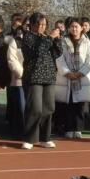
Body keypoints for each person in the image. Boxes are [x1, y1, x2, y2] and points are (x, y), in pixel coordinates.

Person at [18, 12, 60, 149]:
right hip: (34, 76)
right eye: (39, 24)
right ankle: (29, 138)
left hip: (49, 76)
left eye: (44, 24)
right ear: (32, 24)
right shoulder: (28, 37)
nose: (42, 27)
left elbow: (57, 53)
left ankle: (45, 137)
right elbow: (38, 51)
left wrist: (57, 40)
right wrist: (50, 38)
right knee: (35, 108)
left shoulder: (46, 38)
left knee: (49, 108)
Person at [55, 16, 90, 139]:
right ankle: (68, 128)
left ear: (82, 28)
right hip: (66, 78)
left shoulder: (87, 42)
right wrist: (67, 73)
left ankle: (78, 129)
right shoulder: (62, 42)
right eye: (72, 27)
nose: (74, 29)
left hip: (82, 78)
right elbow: (59, 58)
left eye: (76, 26)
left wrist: (80, 73)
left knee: (80, 105)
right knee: (68, 104)